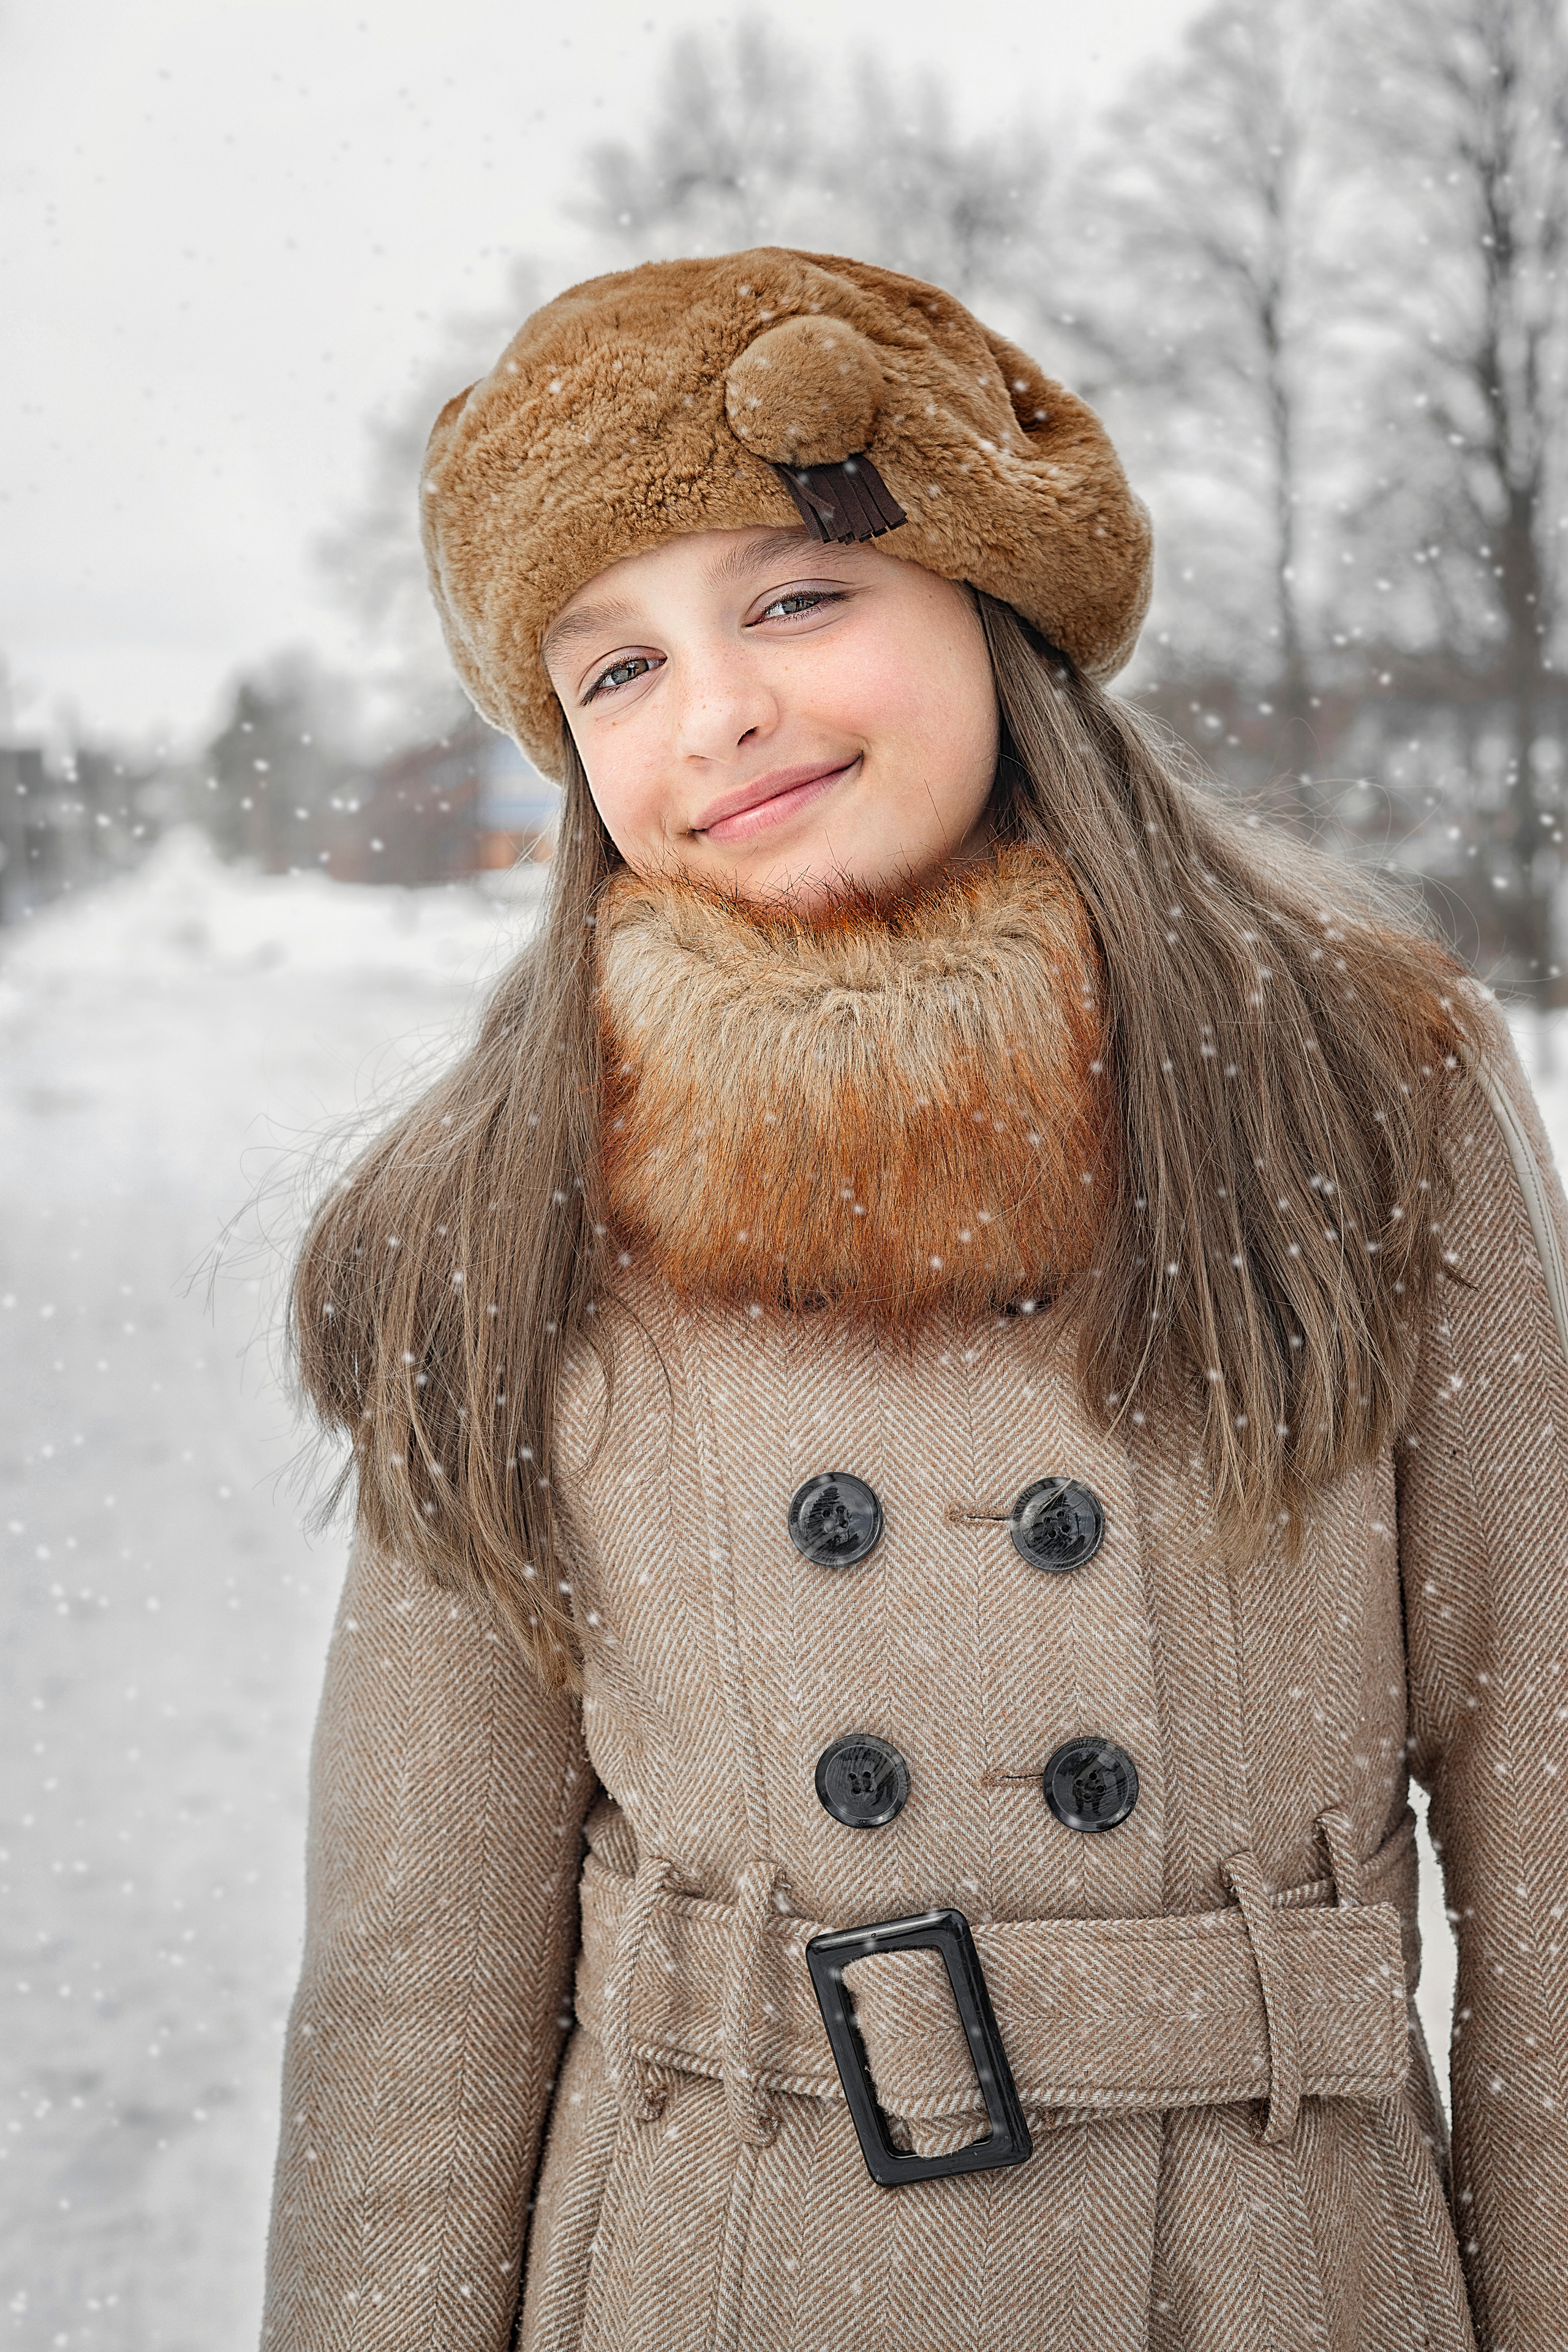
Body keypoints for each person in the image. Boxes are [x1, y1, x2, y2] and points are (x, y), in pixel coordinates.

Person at [260, 250, 1568, 2352]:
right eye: (613, 670)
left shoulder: (1365, 1081)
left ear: (993, 601)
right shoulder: (501, 1200)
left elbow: (1551, 1826)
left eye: (796, 597)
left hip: (1276, 2274)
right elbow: (418, 1978)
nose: (720, 712)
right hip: (721, 2272)